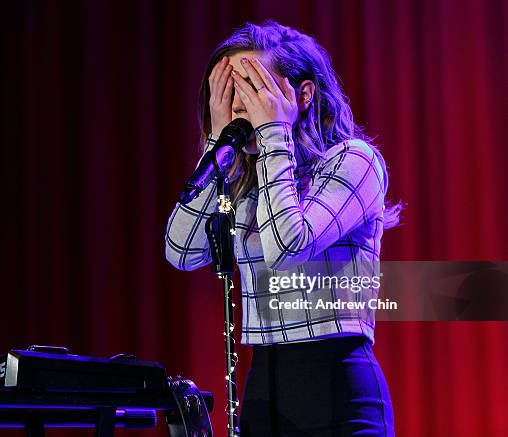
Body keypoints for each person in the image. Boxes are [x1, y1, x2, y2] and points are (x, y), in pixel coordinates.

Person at [165, 20, 400, 436]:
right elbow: (180, 252)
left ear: (303, 95)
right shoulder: (246, 176)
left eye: (253, 89)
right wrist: (217, 146)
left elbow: (287, 250)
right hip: (264, 386)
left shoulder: (353, 161)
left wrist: (274, 135)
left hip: (335, 385)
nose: (240, 107)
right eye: (230, 91)